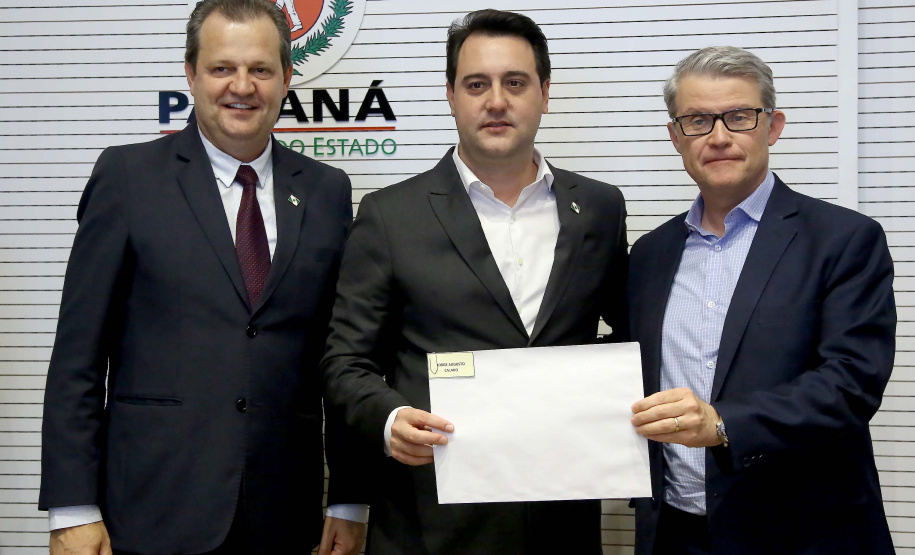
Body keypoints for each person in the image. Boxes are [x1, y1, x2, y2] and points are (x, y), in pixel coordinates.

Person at [38, 0, 362, 553]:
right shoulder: (126, 178)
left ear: (286, 78)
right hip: (150, 511)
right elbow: (78, 358)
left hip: (285, 515)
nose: (242, 86)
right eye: (221, 68)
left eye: (261, 69)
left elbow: (341, 358)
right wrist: (72, 508)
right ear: (191, 73)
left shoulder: (328, 192)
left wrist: (349, 499)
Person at [320, 9, 629, 554]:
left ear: (545, 92)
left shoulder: (599, 209)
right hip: (429, 522)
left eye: (515, 82)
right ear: (451, 95)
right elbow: (346, 362)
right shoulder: (390, 215)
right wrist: (388, 418)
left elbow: (628, 338)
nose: (496, 101)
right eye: (476, 84)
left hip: (563, 525)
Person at [628, 46, 896, 554]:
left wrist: (724, 424)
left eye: (739, 116)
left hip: (802, 533)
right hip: (674, 534)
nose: (719, 137)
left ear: (772, 126)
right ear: (675, 137)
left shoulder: (842, 240)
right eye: (697, 120)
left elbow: (852, 383)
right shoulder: (649, 254)